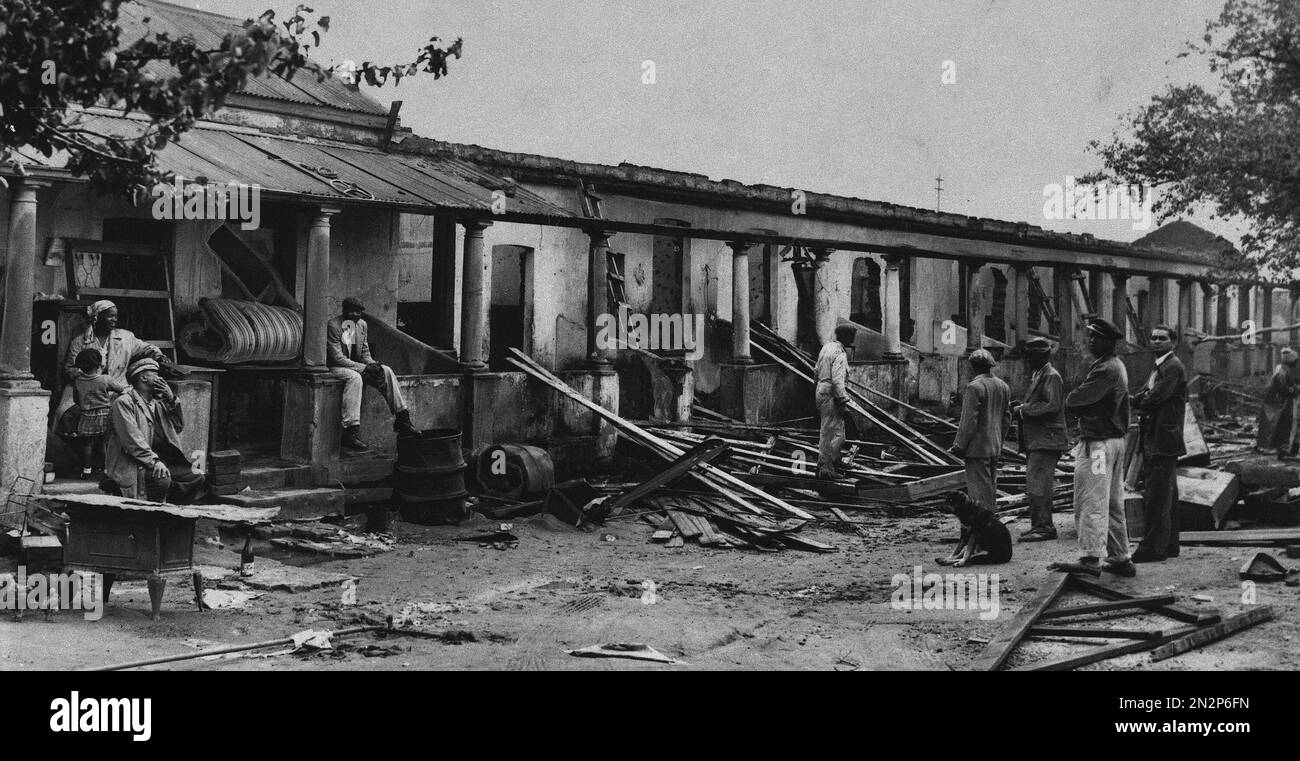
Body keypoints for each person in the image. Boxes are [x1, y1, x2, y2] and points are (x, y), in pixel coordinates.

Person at [1056, 317, 1134, 578]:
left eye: (1096, 338)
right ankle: (1121, 557)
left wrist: (1077, 398)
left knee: (1091, 500)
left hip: (1098, 443)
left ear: (1109, 342)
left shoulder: (1105, 370)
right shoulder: (1116, 365)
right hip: (1114, 441)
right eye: (1089, 336)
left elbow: (1075, 401)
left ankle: (1090, 559)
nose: (1090, 341)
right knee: (1112, 503)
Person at [105, 358, 205, 503]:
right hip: (136, 464)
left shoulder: (158, 403)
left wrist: (172, 399)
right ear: (144, 377)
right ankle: (153, 518)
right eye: (156, 374)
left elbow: (178, 427)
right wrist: (155, 461)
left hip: (161, 461)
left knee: (196, 475)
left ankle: (172, 513)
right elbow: (132, 440)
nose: (161, 379)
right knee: (162, 479)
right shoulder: (124, 402)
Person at [327, 297, 419, 451]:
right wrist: (363, 368)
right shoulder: (334, 326)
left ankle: (403, 419)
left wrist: (372, 364)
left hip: (355, 366)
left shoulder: (361, 325)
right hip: (336, 367)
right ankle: (350, 432)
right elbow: (337, 358)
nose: (356, 315)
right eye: (352, 311)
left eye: (359, 312)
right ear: (344, 311)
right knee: (354, 378)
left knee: (386, 370)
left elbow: (364, 353)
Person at [1131, 325, 1187, 562]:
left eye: (1162, 338)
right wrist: (1141, 398)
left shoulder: (1172, 366)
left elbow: (1154, 397)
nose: (1156, 341)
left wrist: (1140, 400)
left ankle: (1153, 548)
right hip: (1159, 437)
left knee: (1156, 495)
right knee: (1166, 496)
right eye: (1153, 338)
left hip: (1163, 439)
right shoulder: (1159, 366)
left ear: (1172, 342)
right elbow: (1144, 393)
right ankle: (1170, 545)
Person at [1011, 337, 1068, 542]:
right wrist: (1024, 405)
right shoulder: (1040, 374)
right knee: (1035, 484)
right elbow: (1042, 402)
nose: (1028, 361)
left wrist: (1023, 410)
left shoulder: (1051, 376)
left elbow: (1052, 406)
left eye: (1032, 357)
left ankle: (1044, 527)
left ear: (1043, 356)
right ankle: (1039, 525)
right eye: (1028, 357)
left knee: (1040, 485)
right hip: (1038, 440)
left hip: (1047, 440)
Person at [951, 348, 1011, 512]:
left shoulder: (974, 387)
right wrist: (1000, 440)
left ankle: (983, 526)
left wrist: (959, 446)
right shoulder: (1003, 386)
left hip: (977, 449)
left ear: (973, 367)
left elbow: (968, 422)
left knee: (978, 493)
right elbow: (1007, 418)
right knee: (991, 486)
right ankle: (991, 521)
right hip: (995, 446)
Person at [63, 300, 166, 394]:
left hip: (120, 389)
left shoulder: (125, 337)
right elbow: (70, 369)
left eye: (116, 316)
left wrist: (160, 357)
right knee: (65, 412)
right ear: (97, 317)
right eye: (110, 316)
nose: (114, 320)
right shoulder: (79, 342)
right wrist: (92, 378)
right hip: (87, 390)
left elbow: (146, 348)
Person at [814, 323, 857, 479]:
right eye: (852, 336)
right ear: (846, 337)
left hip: (821, 389)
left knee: (833, 429)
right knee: (831, 432)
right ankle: (826, 470)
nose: (853, 340)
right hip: (831, 393)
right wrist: (843, 400)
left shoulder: (827, 347)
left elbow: (816, 370)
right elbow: (838, 381)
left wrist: (818, 390)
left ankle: (834, 460)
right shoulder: (839, 353)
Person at [72, 348, 113, 479]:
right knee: (103, 443)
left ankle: (87, 470)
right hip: (105, 414)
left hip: (87, 415)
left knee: (88, 444)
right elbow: (121, 389)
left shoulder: (78, 380)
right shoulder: (105, 379)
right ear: (98, 365)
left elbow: (75, 399)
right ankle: (107, 470)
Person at [1256, 347, 1300, 459]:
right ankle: (1282, 451)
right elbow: (1284, 390)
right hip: (1280, 404)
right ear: (1291, 361)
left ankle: (1283, 450)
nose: (1296, 362)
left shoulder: (1281, 369)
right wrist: (1296, 390)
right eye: (1295, 361)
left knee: (1282, 427)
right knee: (1284, 427)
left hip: (1279, 403)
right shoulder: (1282, 373)